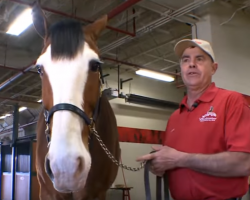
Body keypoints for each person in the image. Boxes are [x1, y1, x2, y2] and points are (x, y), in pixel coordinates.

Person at [136, 39, 250, 200]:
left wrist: (179, 159)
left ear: (213, 68)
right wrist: (160, 164)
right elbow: (173, 162)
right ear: (181, 69)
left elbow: (243, 163)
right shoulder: (175, 117)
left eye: (200, 58)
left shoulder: (231, 101)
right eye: (185, 60)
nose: (191, 64)